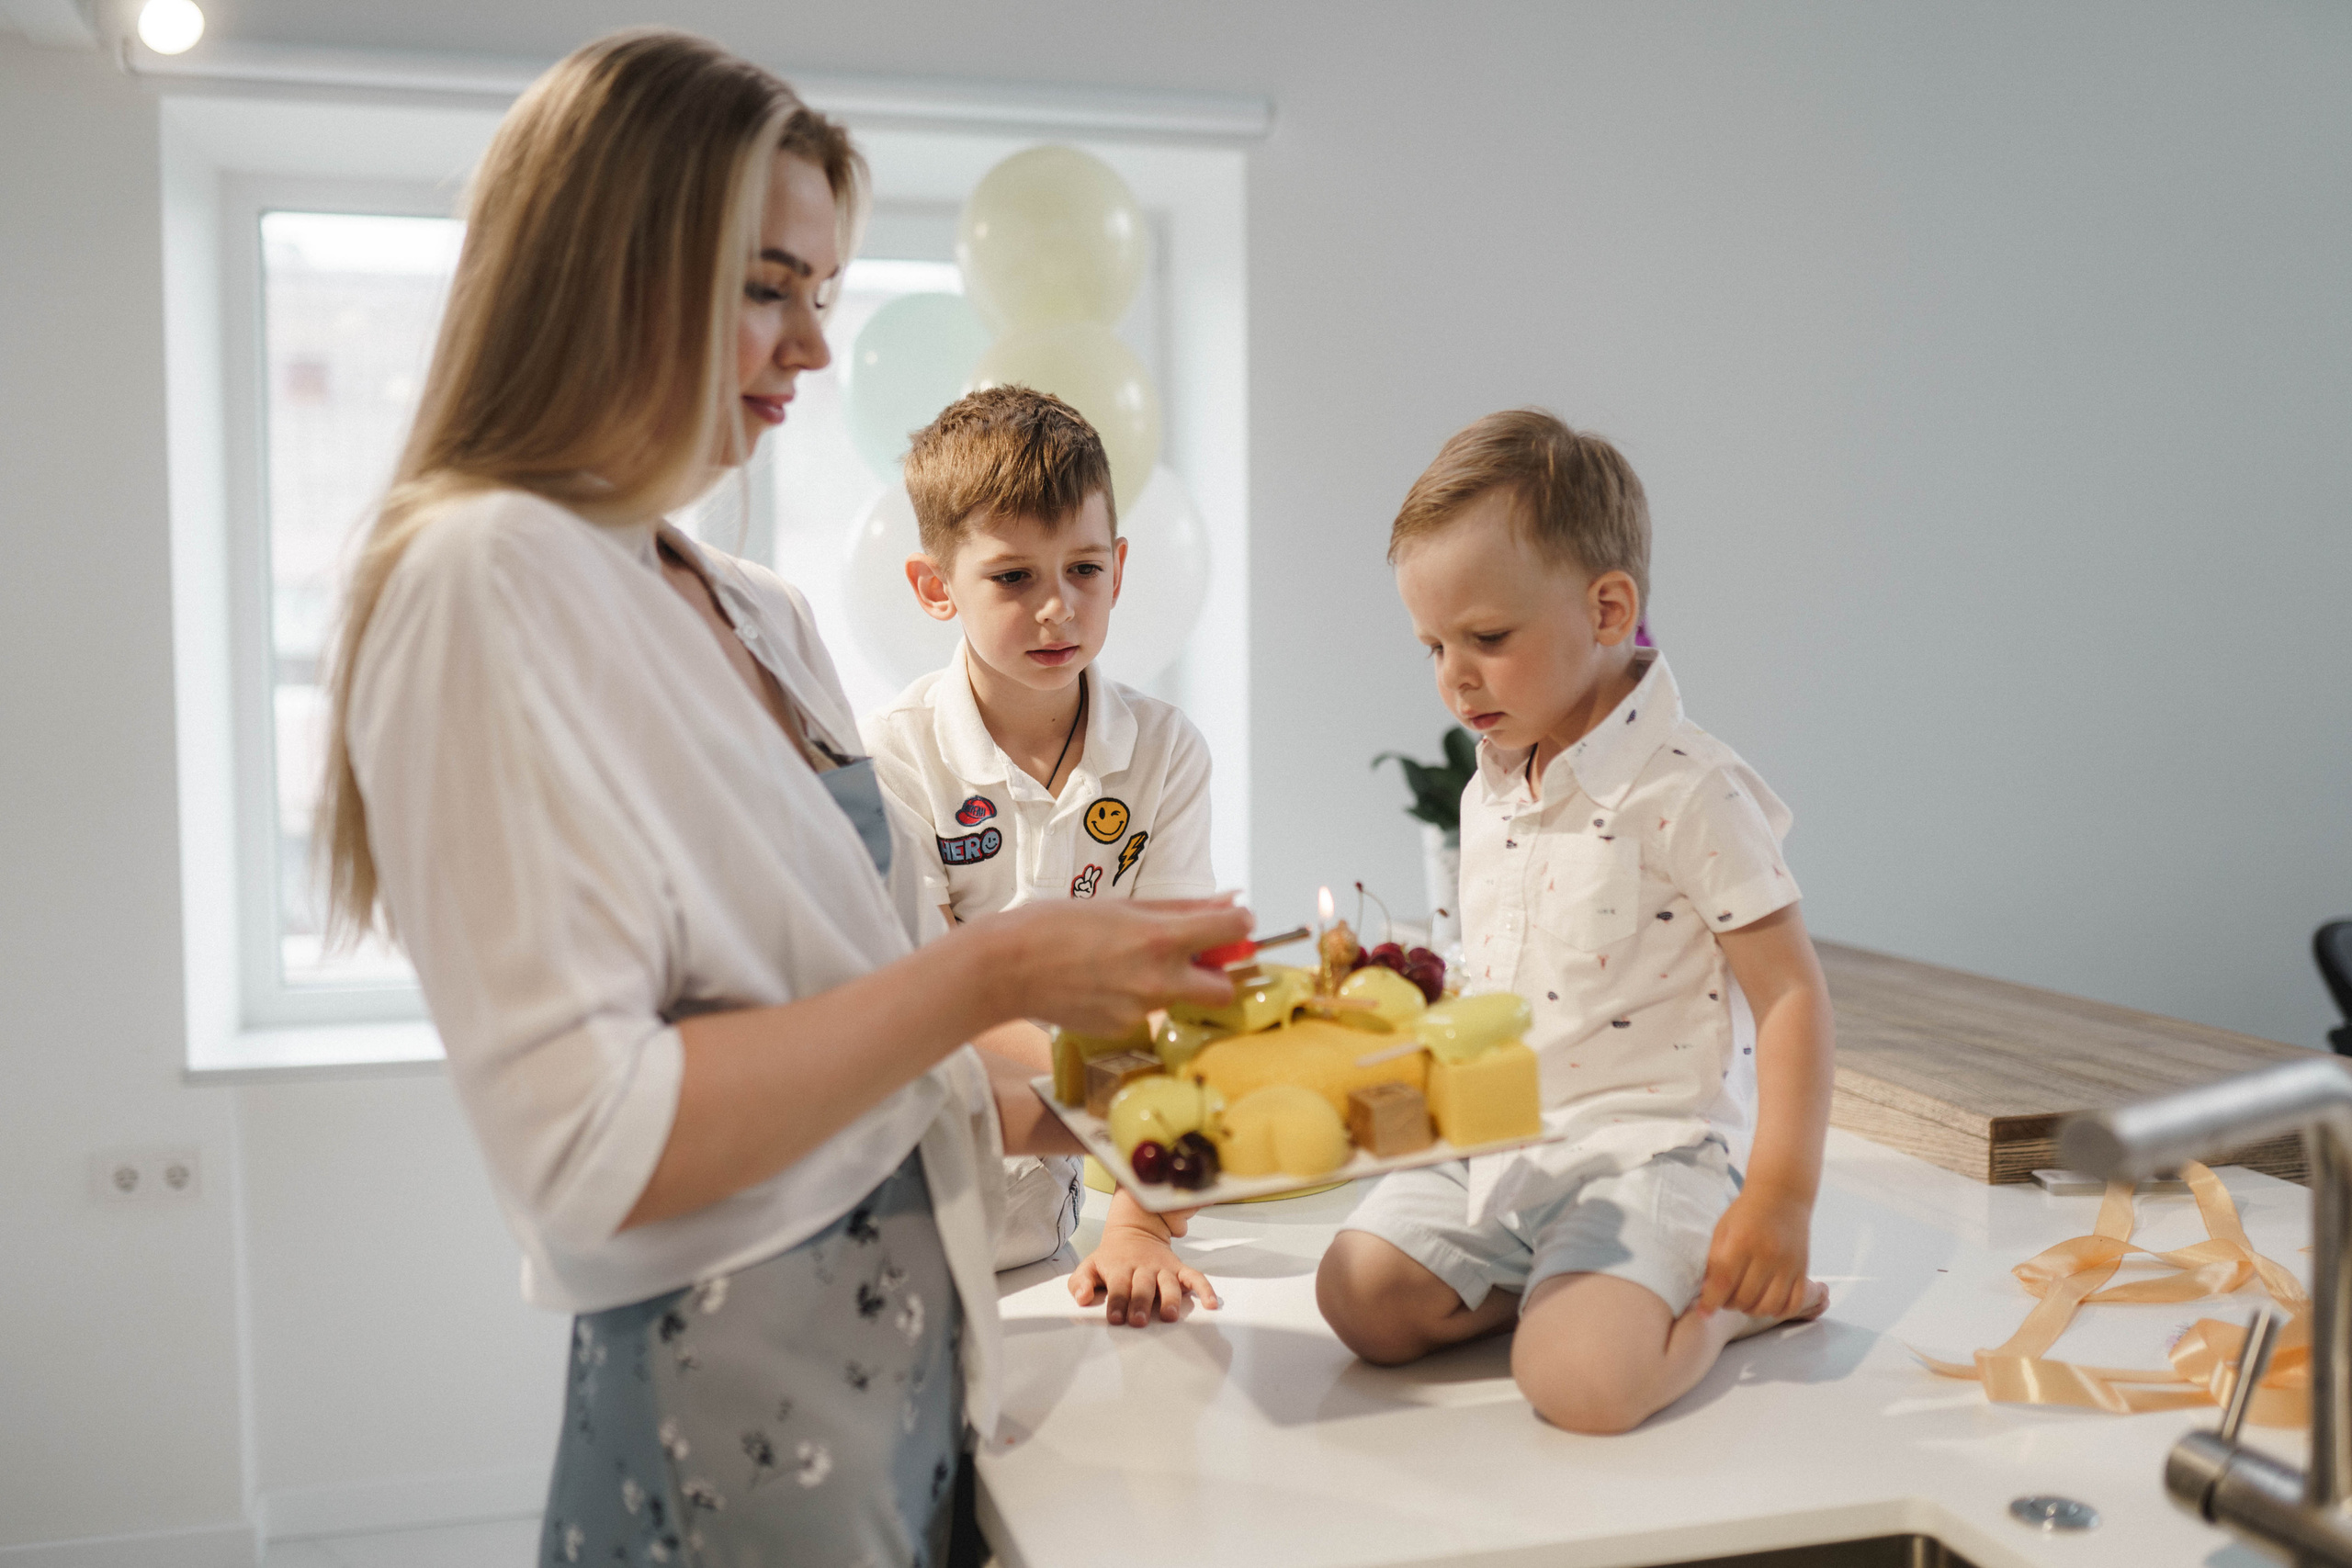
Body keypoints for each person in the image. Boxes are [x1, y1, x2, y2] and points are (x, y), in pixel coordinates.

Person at [315, 30, 1247, 1566]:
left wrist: (1146, 1117)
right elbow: (590, 1147)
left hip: (919, 1341)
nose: (812, 348)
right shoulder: (483, 581)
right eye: (766, 288)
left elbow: (865, 1025)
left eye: (820, 295)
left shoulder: (750, 607)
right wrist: (1004, 968)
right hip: (738, 1364)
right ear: (608, 270)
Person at [1315, 411, 1834, 1434]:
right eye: (1431, 645)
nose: (1453, 678)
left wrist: (1777, 1196)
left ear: (1606, 610)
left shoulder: (1690, 788)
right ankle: (1571, 1291)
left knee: (1578, 1391)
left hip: (1646, 1154)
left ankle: (1715, 1311)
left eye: (1487, 639)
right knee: (1358, 1298)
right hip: (1507, 1146)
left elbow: (1790, 995)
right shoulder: (1490, 784)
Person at [863, 386, 1222, 1324]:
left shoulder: (1165, 753)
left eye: (1085, 569)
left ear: (1120, 566)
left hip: (1047, 1238)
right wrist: (1131, 1122)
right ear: (935, 586)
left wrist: (1139, 1226)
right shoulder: (895, 755)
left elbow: (1172, 1003)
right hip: (898, 1224)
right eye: (1014, 578)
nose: (1058, 608)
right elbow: (942, 999)